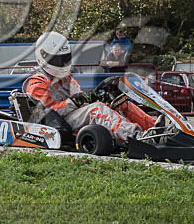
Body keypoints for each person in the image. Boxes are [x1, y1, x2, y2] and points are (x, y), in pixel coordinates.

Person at [21, 31, 156, 144]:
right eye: (57, 60)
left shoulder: (66, 79)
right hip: (56, 124)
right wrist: (75, 101)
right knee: (97, 109)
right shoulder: (36, 82)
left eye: (64, 59)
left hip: (72, 116)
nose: (62, 63)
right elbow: (48, 112)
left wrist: (94, 97)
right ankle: (137, 137)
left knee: (119, 103)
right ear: (43, 56)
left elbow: (79, 98)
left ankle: (155, 129)